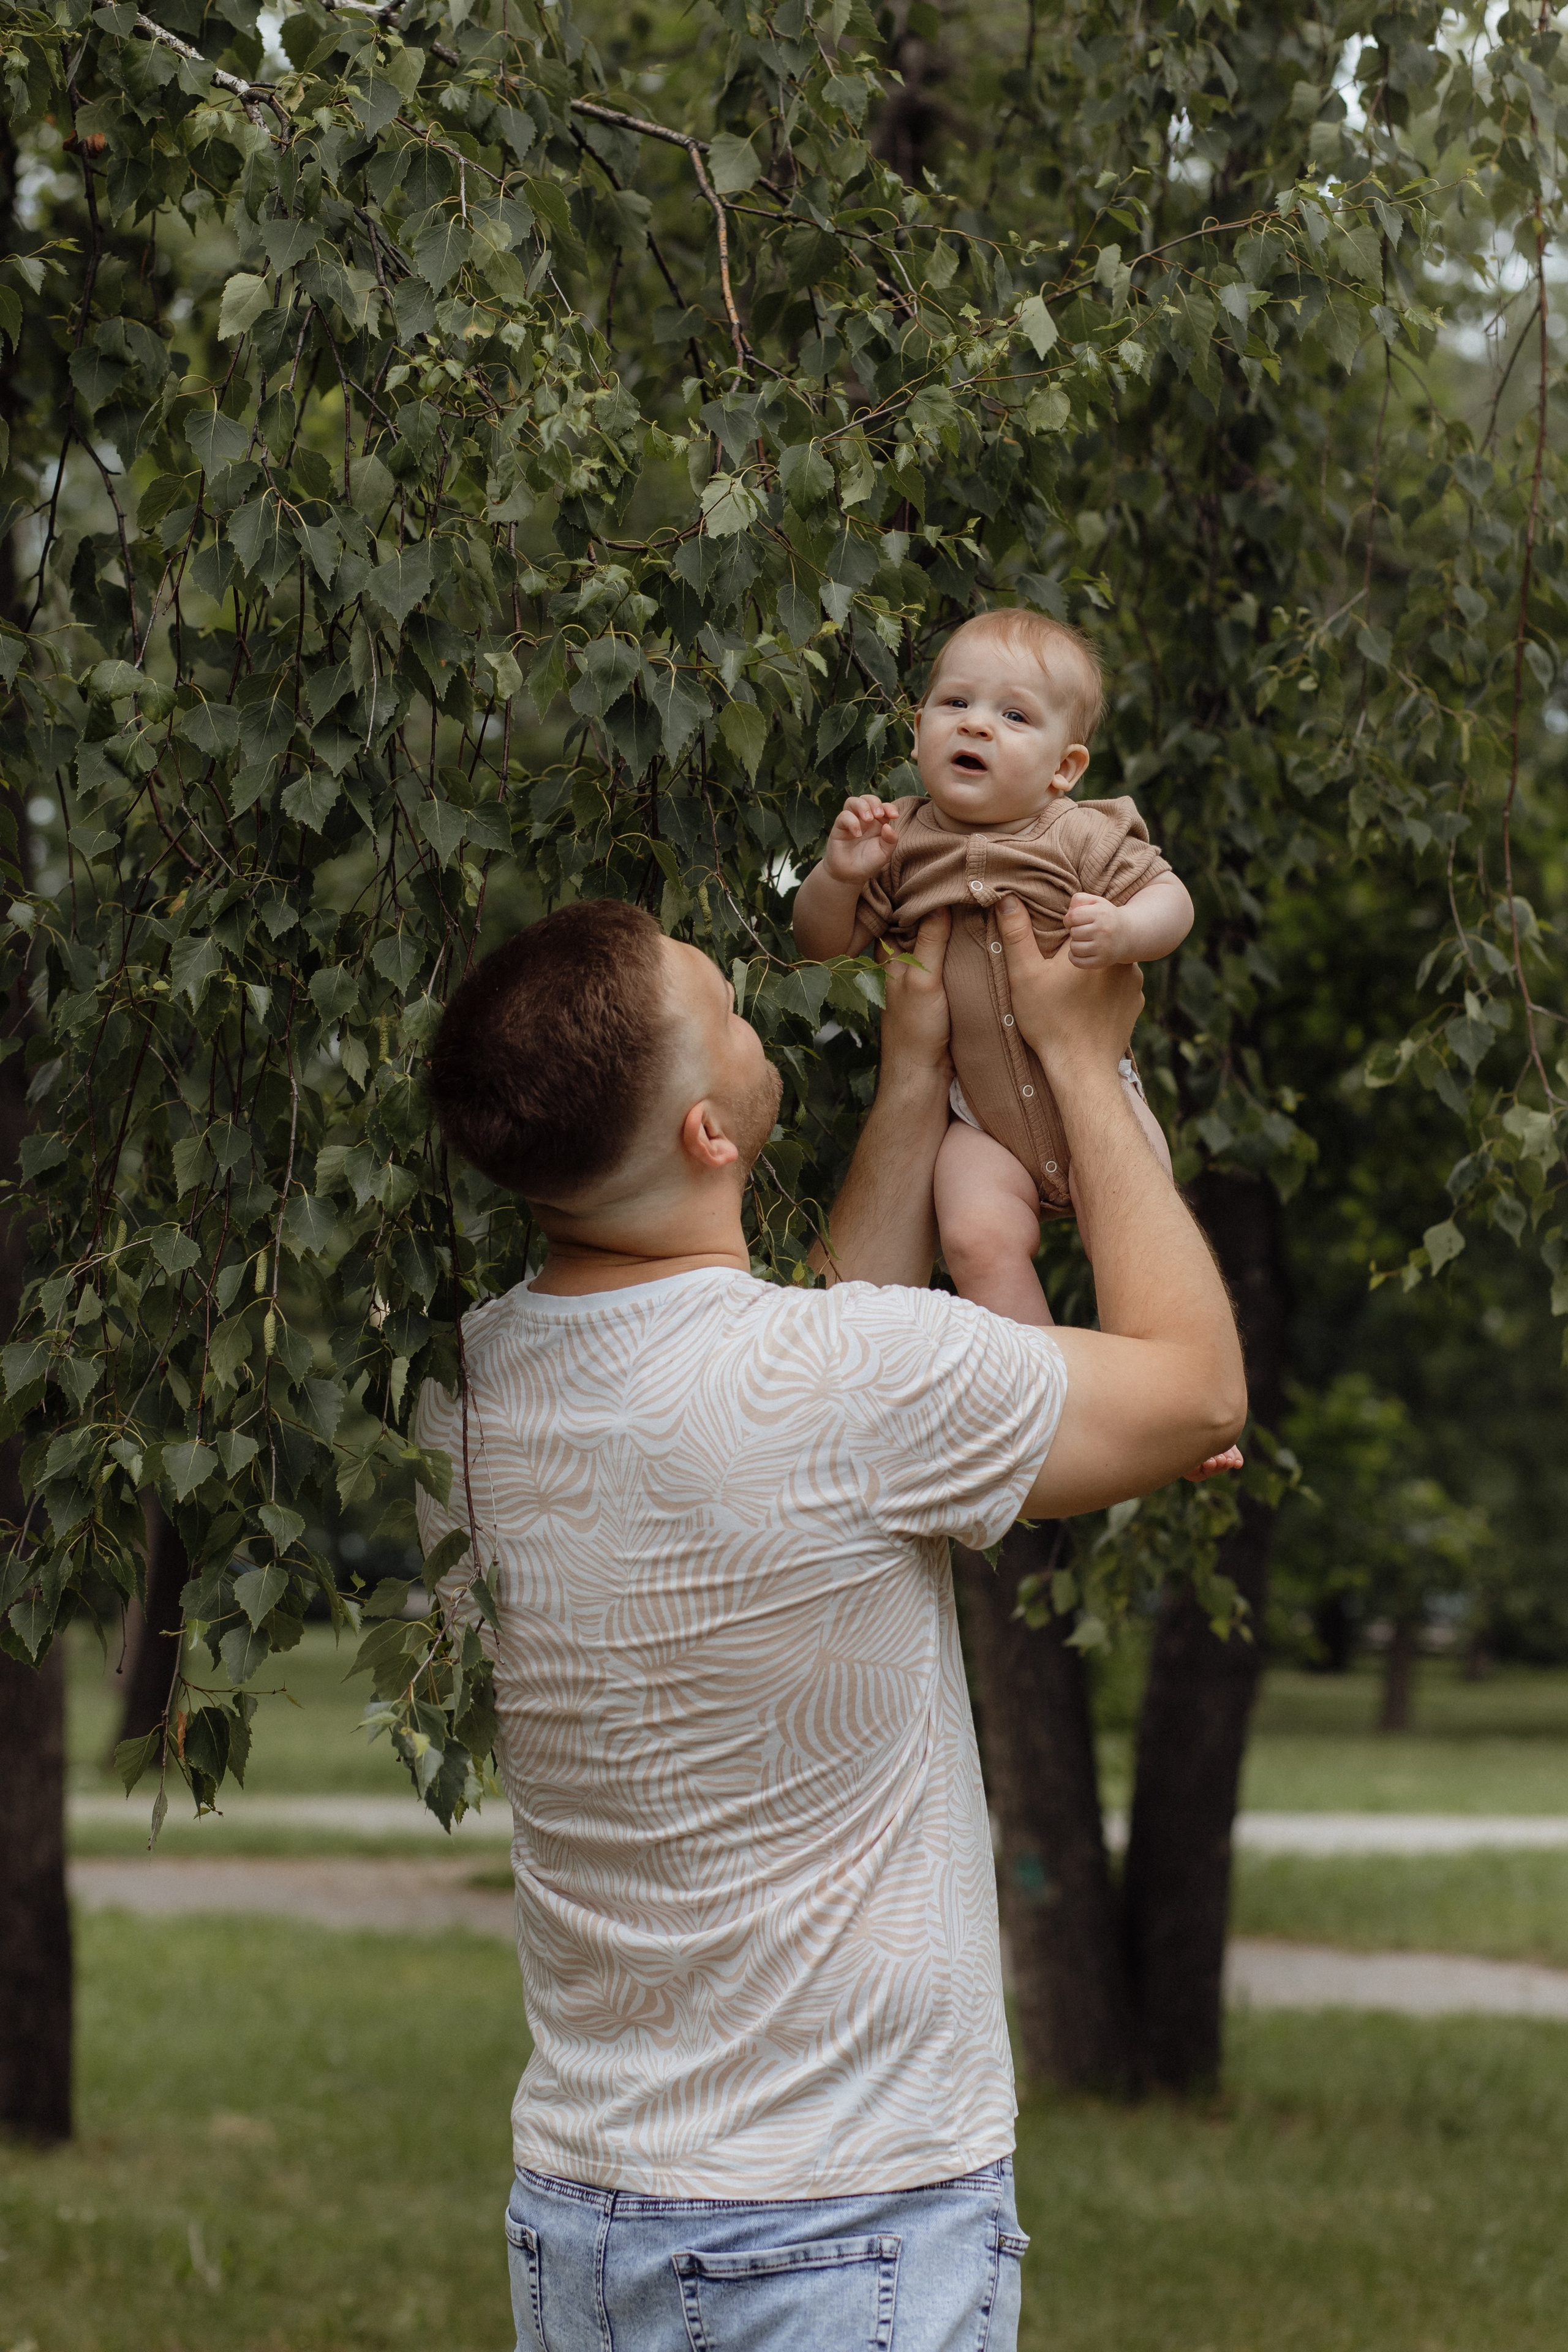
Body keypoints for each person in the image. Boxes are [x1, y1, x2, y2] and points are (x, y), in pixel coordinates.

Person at [417, 890, 1245, 2352]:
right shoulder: (849, 1389)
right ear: (706, 1134)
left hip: (586, 2213)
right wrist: (1076, 1054)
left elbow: (781, 1388)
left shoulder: (461, 1400)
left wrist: (915, 1072)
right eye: (726, 1011)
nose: (752, 1015)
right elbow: (1194, 1391)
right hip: (842, 2220)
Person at [791, 607, 1193, 1322]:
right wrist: (839, 877)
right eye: (955, 703)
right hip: (978, 1123)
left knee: (1132, 1238)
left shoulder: (1079, 834)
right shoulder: (899, 840)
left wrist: (1125, 930)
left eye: (1013, 716)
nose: (976, 725)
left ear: (1064, 769)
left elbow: (1173, 899)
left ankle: (1158, 1378)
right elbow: (825, 948)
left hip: (1094, 1098)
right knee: (974, 1240)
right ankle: (1033, 1373)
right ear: (918, 728)